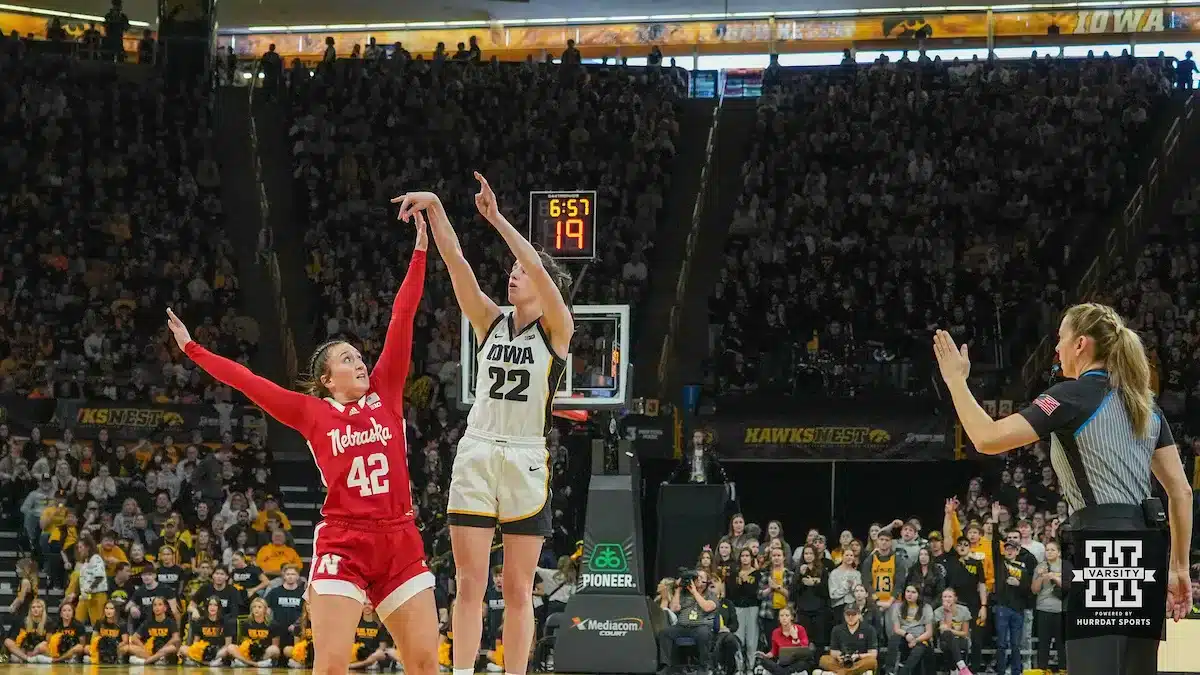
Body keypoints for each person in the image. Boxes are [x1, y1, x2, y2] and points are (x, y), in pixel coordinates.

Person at [167, 210, 440, 675]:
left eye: (360, 356)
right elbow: (249, 382)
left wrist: (419, 250)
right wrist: (193, 348)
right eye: (348, 358)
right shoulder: (311, 412)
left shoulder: (386, 391)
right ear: (326, 378)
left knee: (424, 663)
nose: (360, 363)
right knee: (331, 664)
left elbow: (403, 315)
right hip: (344, 543)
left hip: (400, 538)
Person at [933, 302, 1194, 675]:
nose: (1055, 348)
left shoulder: (1071, 395)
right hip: (1146, 548)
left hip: (1102, 544)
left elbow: (987, 438)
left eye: (1060, 338)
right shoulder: (1146, 405)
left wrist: (956, 382)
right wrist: (1179, 568)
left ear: (1080, 344)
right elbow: (1181, 493)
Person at [392, 175, 573, 675]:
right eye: (512, 269)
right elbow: (457, 263)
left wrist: (496, 220)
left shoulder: (558, 330)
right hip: (476, 451)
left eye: (520, 271)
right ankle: (464, 672)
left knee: (517, 590)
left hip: (524, 456)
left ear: (543, 284)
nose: (512, 275)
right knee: (469, 584)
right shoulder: (490, 320)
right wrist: (434, 207)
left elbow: (537, 263)